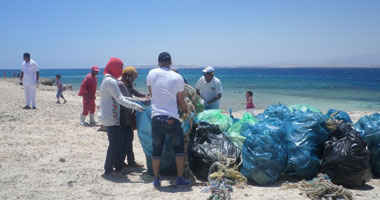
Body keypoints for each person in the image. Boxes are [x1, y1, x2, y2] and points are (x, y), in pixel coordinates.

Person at [146, 52, 190, 187]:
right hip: (171, 117)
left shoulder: (151, 74)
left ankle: (156, 179)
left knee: (156, 149)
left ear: (158, 62)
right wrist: (186, 110)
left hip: (156, 117)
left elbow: (152, 94)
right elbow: (180, 100)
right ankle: (179, 178)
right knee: (179, 148)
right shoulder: (178, 77)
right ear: (171, 63)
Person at [98, 57, 145, 177]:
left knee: (118, 143)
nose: (121, 70)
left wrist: (136, 102)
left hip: (113, 116)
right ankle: (109, 170)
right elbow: (120, 99)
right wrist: (136, 106)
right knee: (114, 144)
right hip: (111, 117)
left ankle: (119, 168)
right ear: (114, 67)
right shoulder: (111, 81)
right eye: (120, 67)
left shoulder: (110, 80)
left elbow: (123, 97)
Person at [118, 66, 148, 168]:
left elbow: (136, 93)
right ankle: (121, 162)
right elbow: (128, 100)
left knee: (129, 139)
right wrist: (142, 102)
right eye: (132, 77)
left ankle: (131, 161)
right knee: (125, 140)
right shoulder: (121, 85)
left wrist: (146, 95)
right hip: (123, 117)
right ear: (126, 75)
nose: (133, 80)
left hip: (127, 115)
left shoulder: (127, 84)